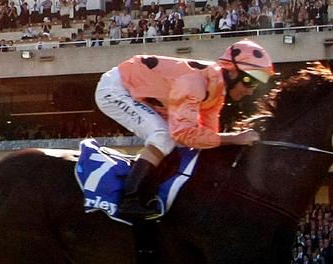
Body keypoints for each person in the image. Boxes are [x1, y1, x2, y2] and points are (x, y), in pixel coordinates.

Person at [94, 39, 275, 219]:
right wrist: (235, 137)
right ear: (233, 72)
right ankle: (130, 198)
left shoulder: (216, 90)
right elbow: (182, 134)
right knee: (163, 136)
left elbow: (207, 137)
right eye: (249, 81)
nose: (251, 90)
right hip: (116, 89)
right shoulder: (194, 84)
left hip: (139, 92)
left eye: (256, 84)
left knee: (177, 142)